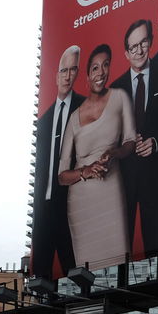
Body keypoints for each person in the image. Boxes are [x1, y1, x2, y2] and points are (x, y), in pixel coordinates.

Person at [58, 44, 136, 270]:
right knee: (86, 272)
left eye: (105, 65)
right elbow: (61, 176)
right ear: (87, 75)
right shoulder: (73, 118)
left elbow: (130, 142)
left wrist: (114, 152)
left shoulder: (120, 97)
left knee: (121, 263)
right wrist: (86, 170)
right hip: (81, 201)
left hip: (111, 190)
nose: (100, 72)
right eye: (94, 68)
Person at [112, 19, 158, 257]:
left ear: (150, 42)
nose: (139, 50)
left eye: (143, 43)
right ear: (126, 53)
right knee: (120, 246)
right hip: (125, 178)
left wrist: (156, 142)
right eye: (133, 47)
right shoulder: (116, 87)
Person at [33, 45, 84, 277]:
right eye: (64, 70)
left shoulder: (85, 108)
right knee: (41, 278)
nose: (68, 76)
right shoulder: (43, 120)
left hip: (71, 206)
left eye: (73, 70)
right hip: (44, 209)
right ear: (56, 75)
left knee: (78, 275)